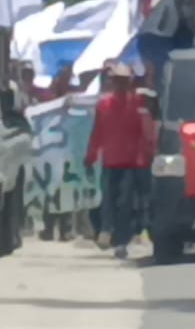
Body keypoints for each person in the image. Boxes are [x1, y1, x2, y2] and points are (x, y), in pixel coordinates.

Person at [83, 63, 150, 259]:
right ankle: (106, 230)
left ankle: (121, 241)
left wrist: (144, 156)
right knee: (108, 199)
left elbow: (144, 134)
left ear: (129, 82)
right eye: (116, 80)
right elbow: (98, 132)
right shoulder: (104, 105)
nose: (120, 84)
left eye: (123, 80)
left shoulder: (138, 104)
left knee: (126, 203)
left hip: (131, 162)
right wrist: (92, 154)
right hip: (111, 161)